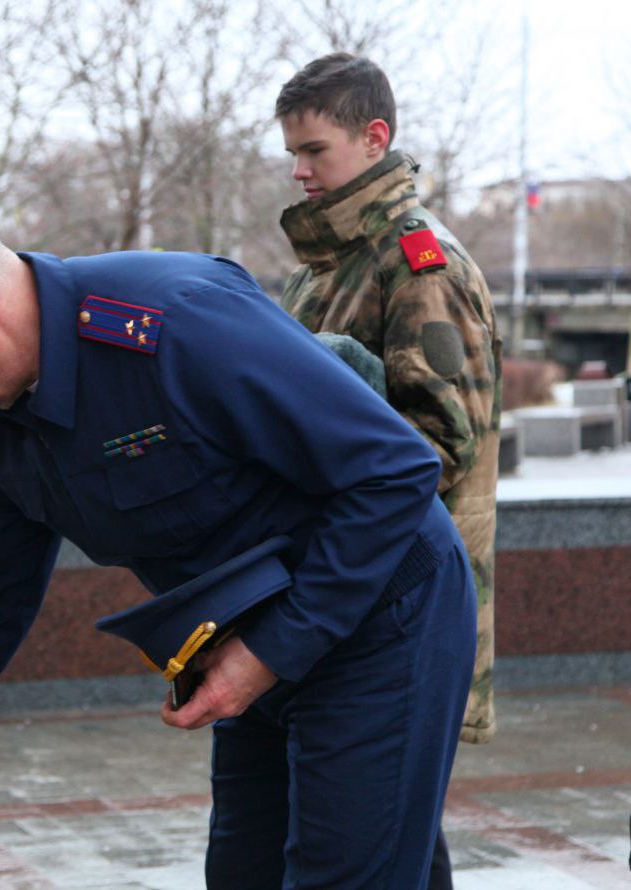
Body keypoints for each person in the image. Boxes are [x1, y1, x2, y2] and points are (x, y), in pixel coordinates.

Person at [0, 201, 477, 888]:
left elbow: (395, 469)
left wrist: (267, 656)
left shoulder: (179, 317)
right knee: (248, 873)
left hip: (384, 617)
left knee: (348, 873)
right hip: (253, 641)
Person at [275, 54, 502, 887]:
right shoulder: (328, 261)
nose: (299, 170)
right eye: (293, 153)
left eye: (316, 151)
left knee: (383, 838)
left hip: (401, 601)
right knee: (393, 842)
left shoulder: (416, 264)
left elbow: (439, 445)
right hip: (351, 594)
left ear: (376, 139)